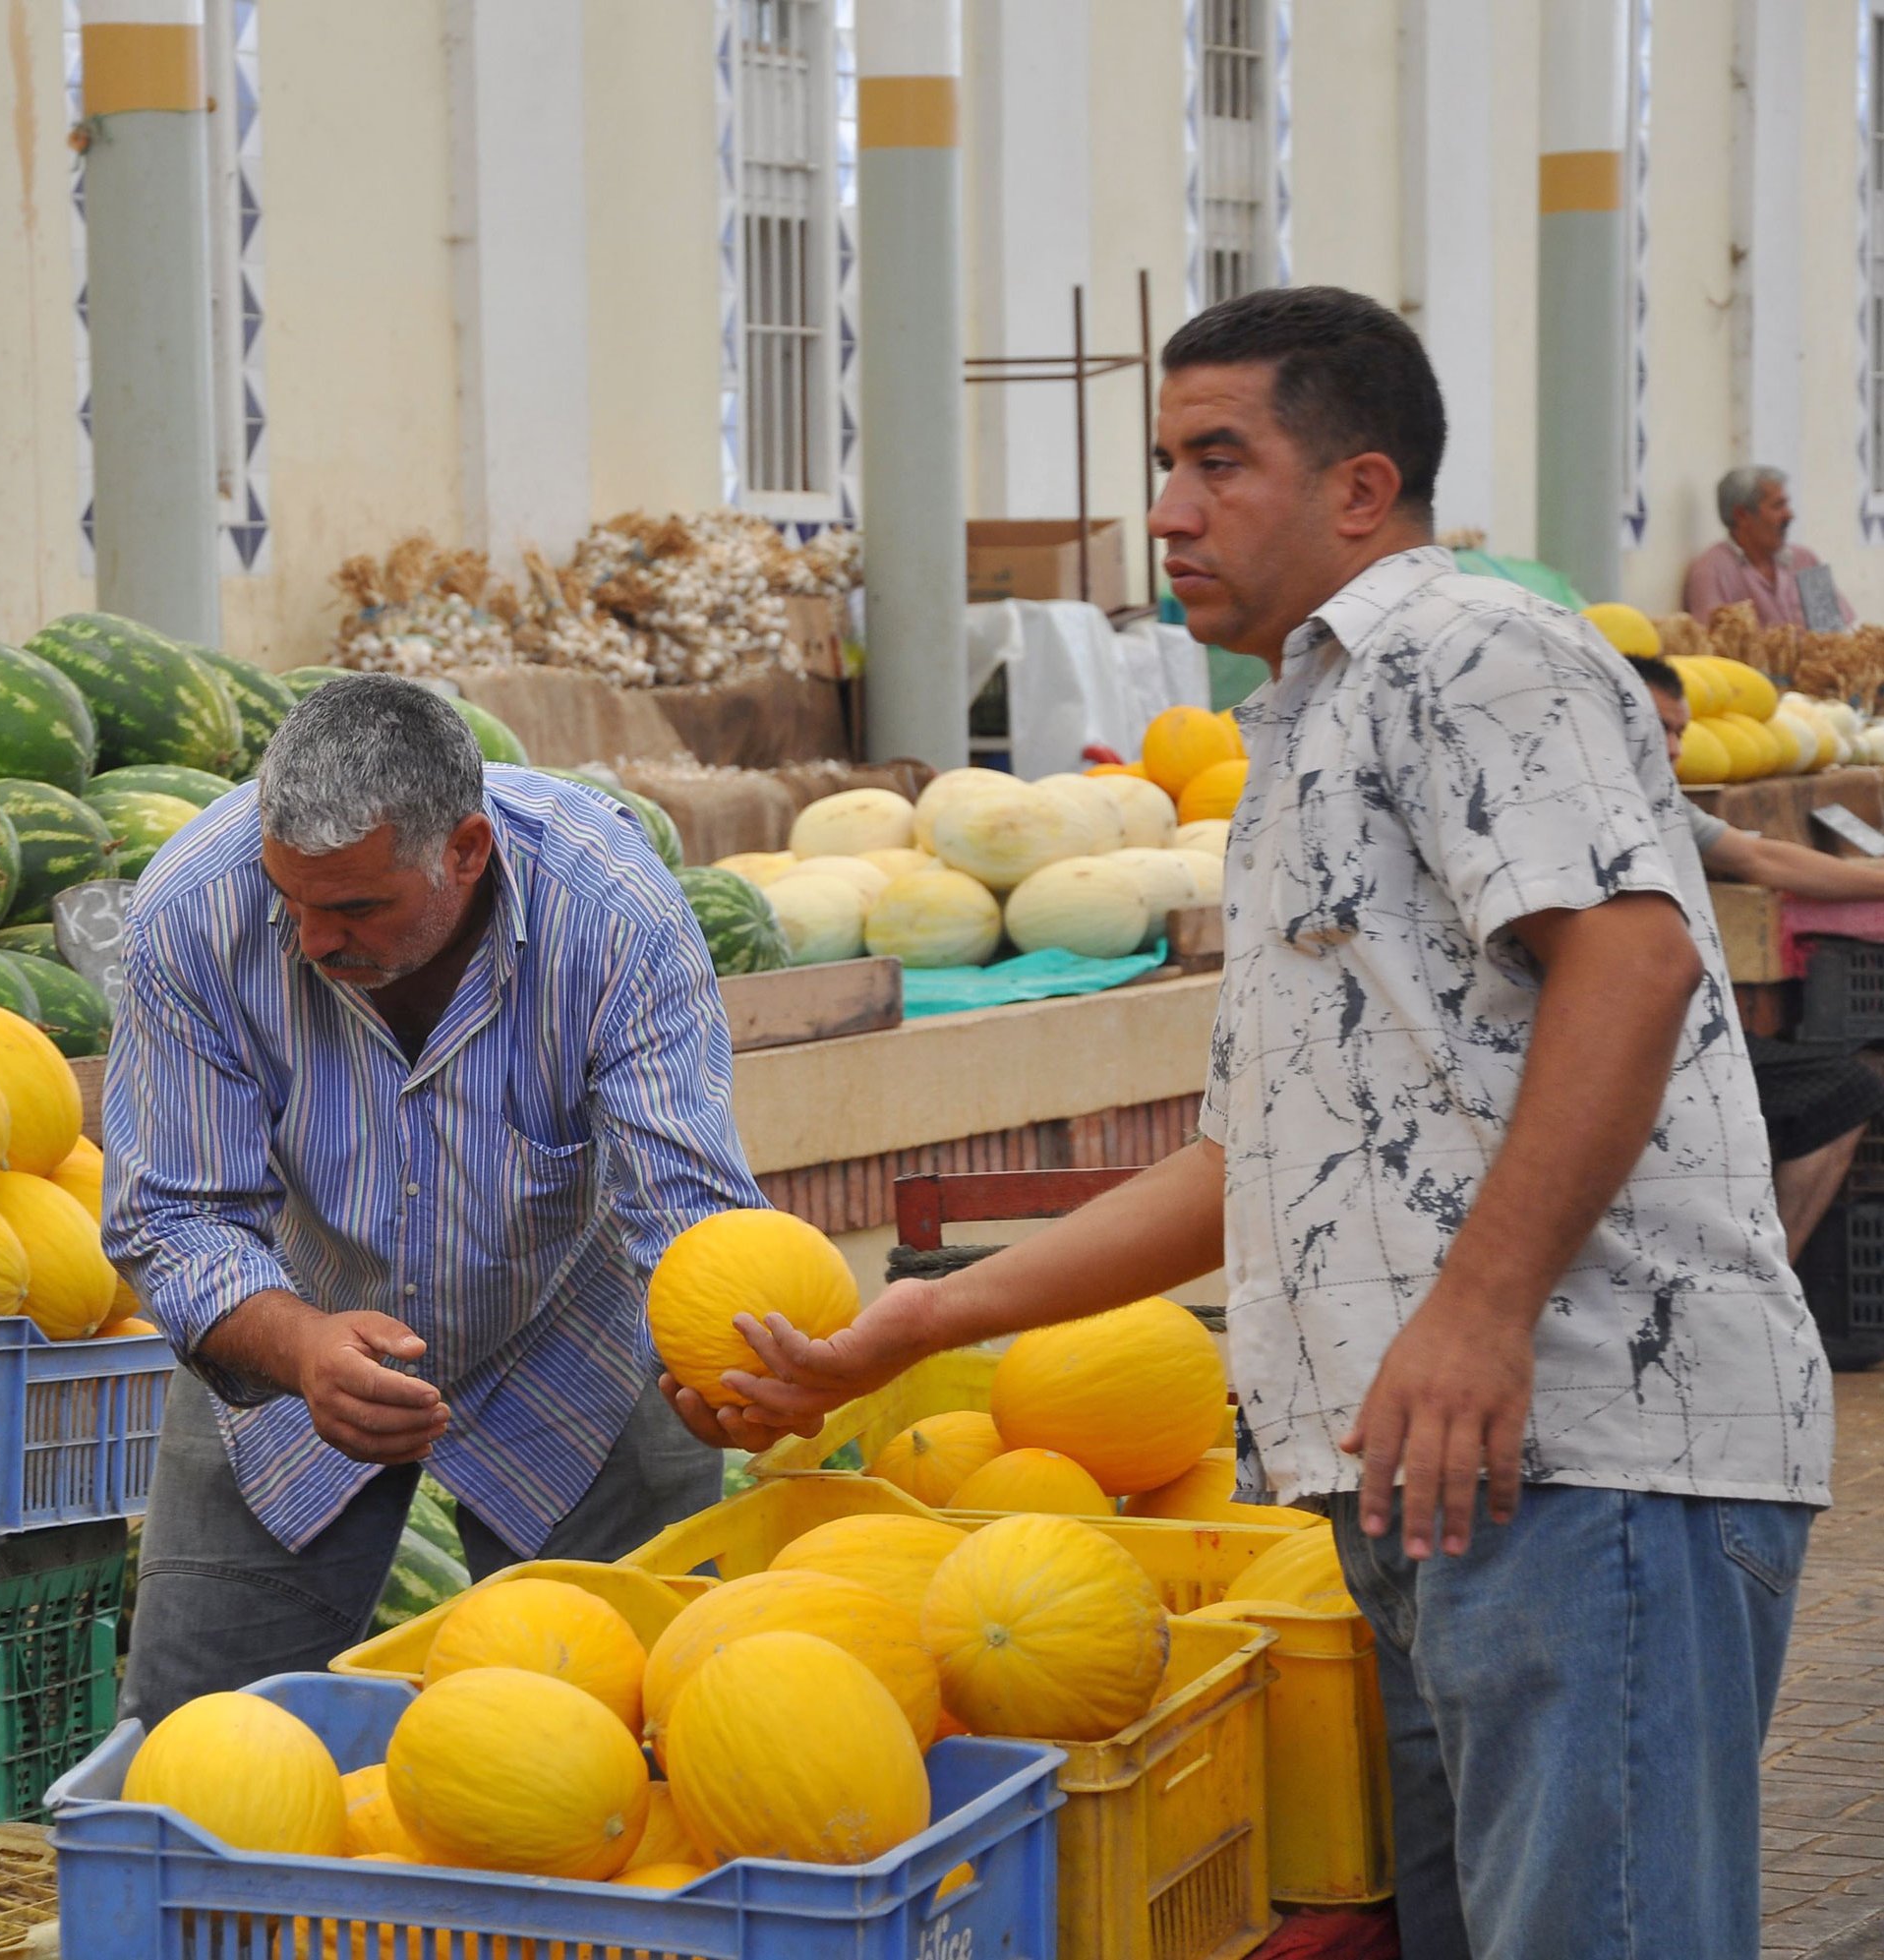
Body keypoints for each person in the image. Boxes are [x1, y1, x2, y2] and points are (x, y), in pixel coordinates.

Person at [672, 287, 1835, 1960]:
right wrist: (915, 1321)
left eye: (1218, 459)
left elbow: (1632, 963)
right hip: (1441, 1480)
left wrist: (1481, 1306)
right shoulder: (1299, 724)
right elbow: (1251, 1166)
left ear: (1360, 488)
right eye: (1162, 460)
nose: (1164, 508)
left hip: (1593, 1448)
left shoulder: (1471, 649)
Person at [106, 675, 759, 1725]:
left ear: (465, 850)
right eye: (294, 900)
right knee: (195, 1747)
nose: (315, 938)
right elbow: (174, 1214)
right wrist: (300, 1345)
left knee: (611, 1744)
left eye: (359, 904)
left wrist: (735, 1353)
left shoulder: (609, 907)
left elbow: (681, 1206)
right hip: (289, 1329)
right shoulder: (193, 910)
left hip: (577, 1349)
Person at [1631, 652, 1884, 1258]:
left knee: (1846, 1090)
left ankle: (1773, 1279)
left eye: (1679, 732)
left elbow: (1758, 858)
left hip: (1678, 1032)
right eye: (1654, 727)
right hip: (1610, 1042)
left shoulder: (1662, 803)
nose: (1670, 748)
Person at [1682, 465, 1853, 628]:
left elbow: (1834, 633)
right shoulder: (1712, 571)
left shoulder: (1804, 560)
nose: (1789, 515)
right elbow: (1711, 649)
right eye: (1778, 506)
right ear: (1741, 515)